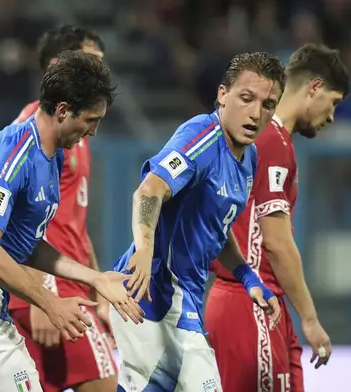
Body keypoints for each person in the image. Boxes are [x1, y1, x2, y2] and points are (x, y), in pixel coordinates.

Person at [0, 51, 144, 392]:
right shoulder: (9, 157)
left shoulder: (51, 156)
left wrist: (94, 277)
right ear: (63, 110)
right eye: (91, 120)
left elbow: (26, 247)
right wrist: (50, 303)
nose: (94, 131)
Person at [110, 52, 287, 391]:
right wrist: (144, 250)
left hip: (183, 299)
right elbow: (149, 190)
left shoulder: (248, 157)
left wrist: (248, 276)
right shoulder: (202, 137)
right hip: (154, 294)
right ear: (223, 94)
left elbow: (217, 229)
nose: (255, 113)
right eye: (246, 98)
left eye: (268, 105)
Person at [206, 43, 350, 392]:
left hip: (258, 301)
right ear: (314, 87)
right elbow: (276, 242)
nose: (331, 116)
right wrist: (311, 319)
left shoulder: (266, 139)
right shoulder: (271, 141)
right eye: (333, 102)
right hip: (251, 302)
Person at [8, 25, 118, 392]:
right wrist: (40, 297)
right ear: (60, 66)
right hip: (51, 292)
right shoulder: (34, 130)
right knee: (105, 383)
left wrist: (98, 288)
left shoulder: (79, 131)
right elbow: (15, 215)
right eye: (91, 64)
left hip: (69, 287)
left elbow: (74, 223)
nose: (102, 75)